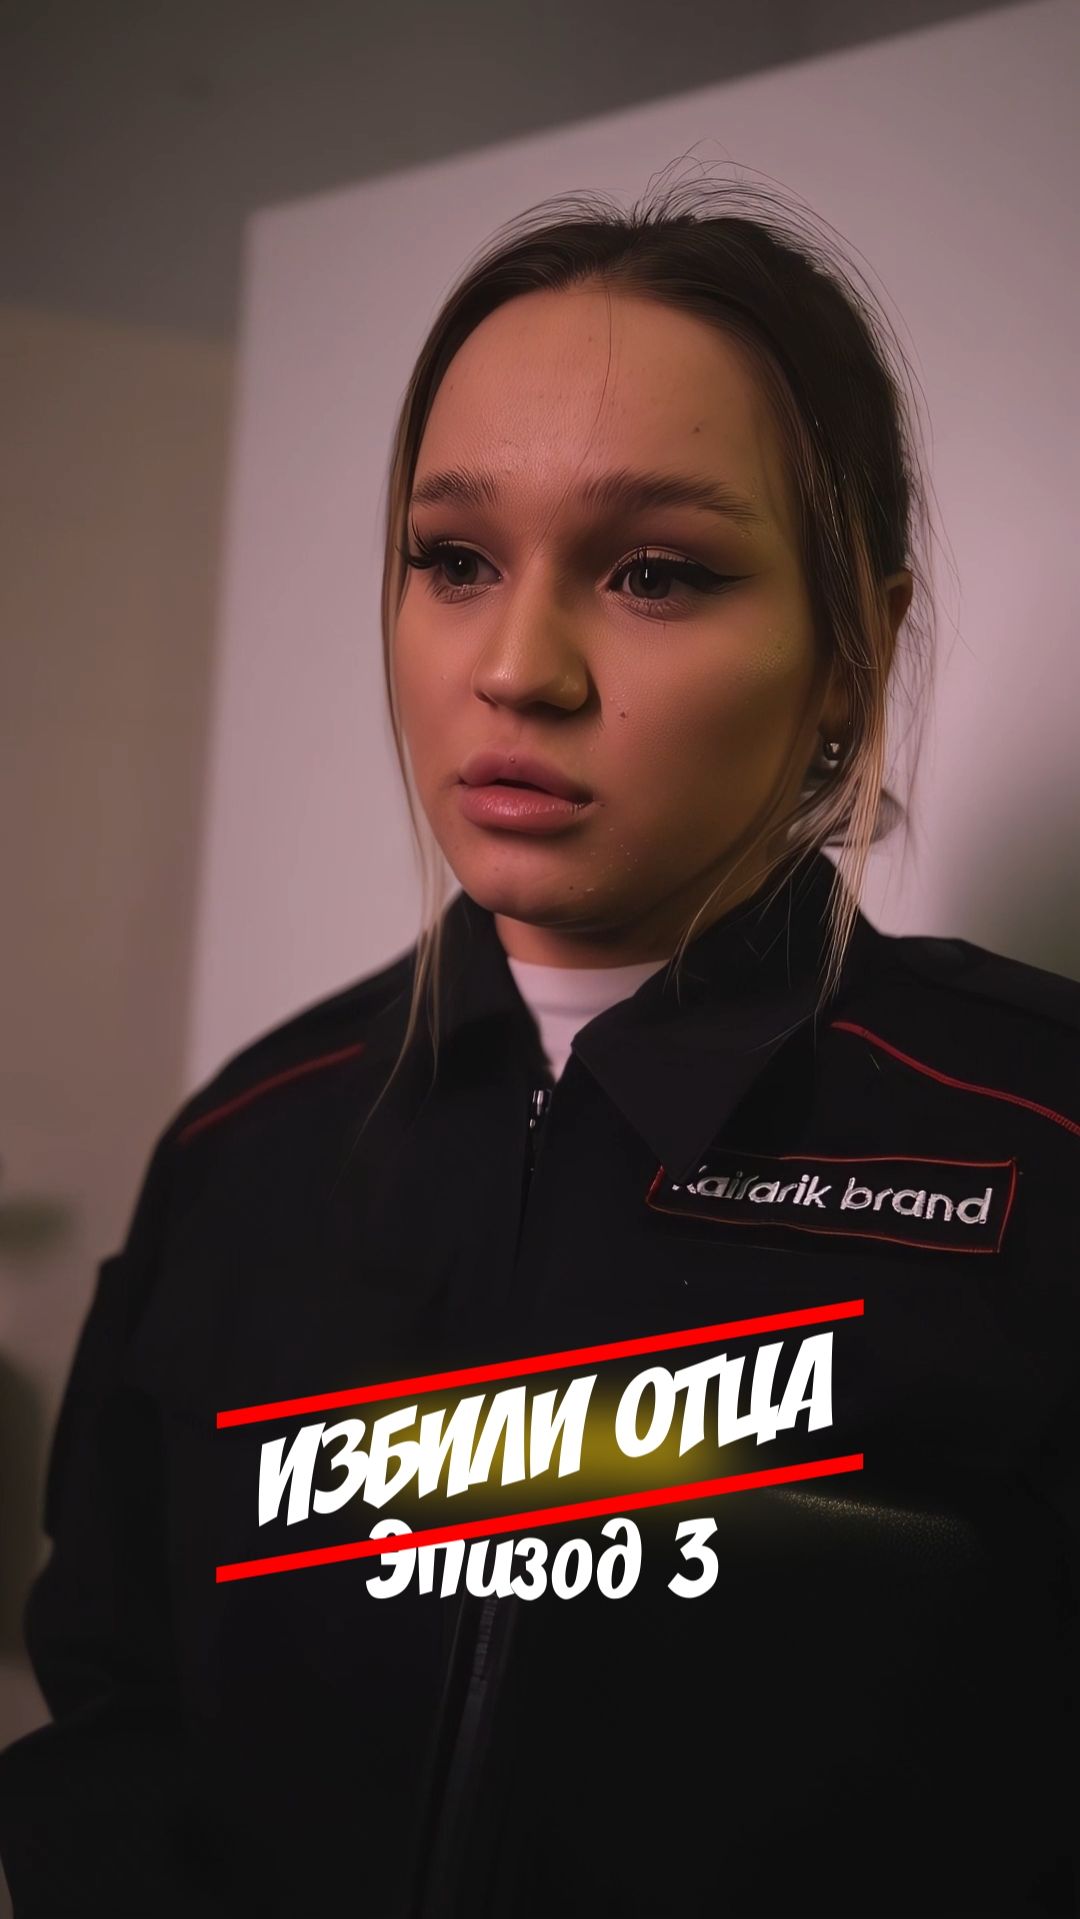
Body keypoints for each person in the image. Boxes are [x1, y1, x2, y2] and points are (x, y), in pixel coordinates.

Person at [0, 172, 1077, 1919]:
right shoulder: (246, 1146)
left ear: (851, 651)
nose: (518, 668)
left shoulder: (1039, 1145)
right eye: (454, 560)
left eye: (656, 573)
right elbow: (119, 1716)